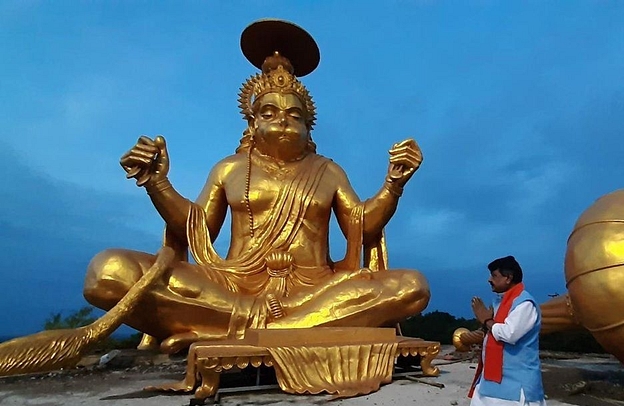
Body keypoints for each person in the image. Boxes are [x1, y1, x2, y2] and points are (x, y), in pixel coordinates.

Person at [82, 22, 430, 354]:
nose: (282, 119)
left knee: (412, 286)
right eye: (269, 112)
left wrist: (393, 184)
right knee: (108, 271)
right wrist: (157, 183)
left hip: (315, 291)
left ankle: (245, 328)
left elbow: (362, 225)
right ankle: (288, 325)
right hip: (231, 288)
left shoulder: (328, 171)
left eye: (294, 115)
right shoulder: (230, 169)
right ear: (252, 121)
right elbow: (197, 229)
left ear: (310, 125)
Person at [465, 255, 551, 406]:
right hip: (491, 382)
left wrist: (485, 320)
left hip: (516, 384)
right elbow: (493, 332)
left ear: (508, 277)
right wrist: (487, 323)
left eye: (494, 276)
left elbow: (509, 333)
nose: (489, 280)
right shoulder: (501, 302)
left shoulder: (524, 304)